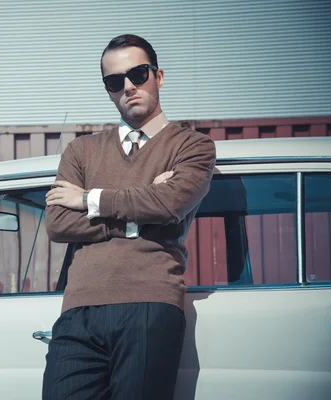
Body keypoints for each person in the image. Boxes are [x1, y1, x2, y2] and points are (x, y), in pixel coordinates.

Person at [43, 34, 216, 399]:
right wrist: (142, 211)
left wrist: (88, 198)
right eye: (114, 80)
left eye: (138, 74)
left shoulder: (192, 145)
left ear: (159, 76)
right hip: (78, 308)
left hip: (150, 303)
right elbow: (58, 223)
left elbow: (170, 204)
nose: (128, 86)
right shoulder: (81, 150)